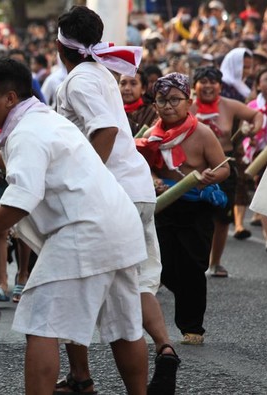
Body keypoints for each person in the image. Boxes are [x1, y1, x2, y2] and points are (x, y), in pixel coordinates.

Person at [0, 58, 149, 395]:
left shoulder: (26, 132)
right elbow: (43, 159)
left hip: (85, 229)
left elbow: (23, 196)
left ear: (9, 98)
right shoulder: (43, 119)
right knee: (125, 327)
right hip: (117, 225)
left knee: (40, 323)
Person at [53, 6, 180, 393]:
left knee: (69, 289)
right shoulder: (100, 74)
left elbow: (104, 132)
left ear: (61, 46)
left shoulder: (79, 80)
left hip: (107, 198)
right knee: (133, 288)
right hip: (134, 192)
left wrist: (83, 183)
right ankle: (162, 349)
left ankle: (81, 377)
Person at [137, 73, 230, 347]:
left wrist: (214, 176)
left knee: (192, 267)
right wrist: (153, 180)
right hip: (164, 206)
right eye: (162, 100)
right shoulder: (152, 135)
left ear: (188, 102)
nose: (168, 106)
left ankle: (192, 328)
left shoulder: (201, 132)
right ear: (155, 105)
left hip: (195, 207)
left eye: (175, 100)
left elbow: (224, 167)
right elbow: (145, 166)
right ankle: (186, 296)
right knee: (162, 264)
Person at [189, 66, 263, 277]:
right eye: (203, 81)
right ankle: (195, 261)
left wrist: (253, 129)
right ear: (195, 86)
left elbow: (256, 115)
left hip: (224, 165)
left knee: (222, 218)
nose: (208, 86)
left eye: (213, 82)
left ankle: (215, 262)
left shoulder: (228, 106)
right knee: (194, 216)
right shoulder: (189, 107)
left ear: (220, 86)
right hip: (196, 169)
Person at [246, 66, 267, 253]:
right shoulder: (252, 107)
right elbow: (245, 130)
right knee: (265, 193)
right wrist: (251, 138)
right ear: (257, 84)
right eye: (266, 79)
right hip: (261, 155)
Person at [120, 70, 159, 136]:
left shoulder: (152, 113)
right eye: (123, 83)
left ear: (143, 89)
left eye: (133, 83)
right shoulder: (113, 111)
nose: (127, 88)